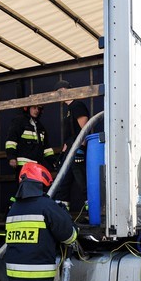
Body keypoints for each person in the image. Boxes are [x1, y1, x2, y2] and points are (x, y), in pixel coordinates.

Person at [52, 79, 90, 215]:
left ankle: (91, 210)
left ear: (66, 90)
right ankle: (61, 213)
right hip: (69, 148)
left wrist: (81, 148)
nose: (59, 95)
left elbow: (85, 129)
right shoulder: (68, 110)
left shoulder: (77, 105)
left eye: (60, 92)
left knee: (81, 180)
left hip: (77, 147)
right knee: (64, 181)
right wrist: (64, 149)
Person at [5, 102, 57, 178]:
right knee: (24, 187)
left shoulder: (40, 127)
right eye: (34, 108)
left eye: (38, 108)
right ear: (27, 108)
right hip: (23, 165)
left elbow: (46, 148)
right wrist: (11, 157)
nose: (37, 110)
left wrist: (53, 162)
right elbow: (11, 141)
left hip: (37, 166)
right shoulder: (19, 121)